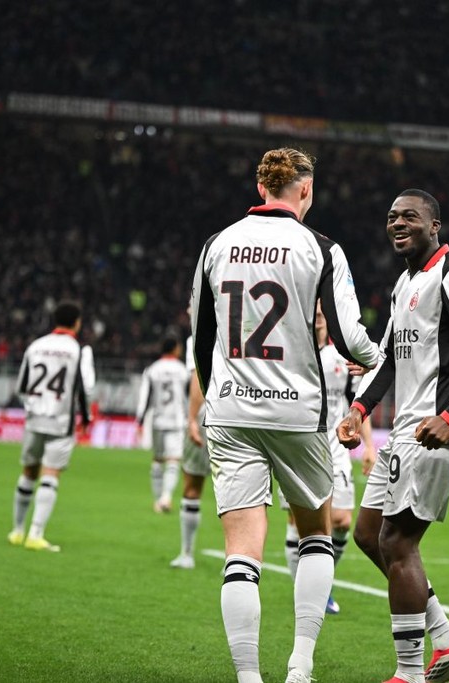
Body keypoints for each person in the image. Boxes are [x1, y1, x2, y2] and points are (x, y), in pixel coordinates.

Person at [190, 147, 380, 683]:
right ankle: (300, 665)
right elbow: (348, 337)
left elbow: (201, 339)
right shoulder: (321, 248)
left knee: (241, 552)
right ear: (306, 190)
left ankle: (248, 677)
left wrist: (219, 396)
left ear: (261, 188)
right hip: (296, 413)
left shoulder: (216, 245)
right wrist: (380, 359)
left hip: (230, 410)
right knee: (315, 534)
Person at [337, 189, 449, 683]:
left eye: (410, 216)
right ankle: (447, 640)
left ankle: (408, 674)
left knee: (398, 542)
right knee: (369, 535)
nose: (397, 223)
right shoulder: (405, 281)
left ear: (434, 226)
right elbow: (390, 356)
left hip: (434, 431)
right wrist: (358, 410)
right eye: (392, 217)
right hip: (405, 430)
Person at [280, 302, 377, 614]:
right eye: (315, 313)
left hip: (336, 447)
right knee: (299, 521)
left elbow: (356, 404)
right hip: (299, 446)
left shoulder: (342, 358)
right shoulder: (293, 354)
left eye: (323, 314)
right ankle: (307, 593)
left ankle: (320, 583)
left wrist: (369, 446)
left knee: (341, 521)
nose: (319, 318)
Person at [8, 300, 95, 552]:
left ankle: (17, 531)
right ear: (77, 323)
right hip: (61, 421)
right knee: (50, 475)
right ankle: (36, 534)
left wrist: (33, 406)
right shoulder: (79, 350)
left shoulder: (36, 346)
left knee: (28, 472)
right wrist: (86, 418)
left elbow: (21, 386)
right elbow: (86, 388)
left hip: (35, 419)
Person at [169, 333, 212, 569]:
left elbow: (198, 377)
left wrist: (192, 419)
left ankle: (186, 554)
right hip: (242, 413)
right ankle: (238, 558)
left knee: (193, 485)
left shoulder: (197, 333)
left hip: (209, 413)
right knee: (239, 493)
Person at [135, 336, 189, 514]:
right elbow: (187, 397)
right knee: (173, 460)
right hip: (177, 421)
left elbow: (145, 397)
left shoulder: (152, 370)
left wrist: (140, 421)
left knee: (158, 459)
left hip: (158, 420)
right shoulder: (183, 370)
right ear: (174, 349)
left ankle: (158, 500)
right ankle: (166, 497)